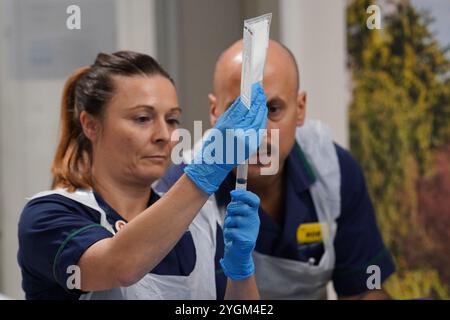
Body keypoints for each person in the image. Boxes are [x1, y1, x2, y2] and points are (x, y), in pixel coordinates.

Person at [17, 51, 267, 300]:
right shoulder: (48, 215)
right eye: (142, 118)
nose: (163, 135)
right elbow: (120, 267)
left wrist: (241, 272)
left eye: (172, 120)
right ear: (90, 125)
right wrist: (208, 169)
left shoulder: (200, 224)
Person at [161, 40, 396, 299]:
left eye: (273, 110)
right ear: (215, 112)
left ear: (300, 108)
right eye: (239, 112)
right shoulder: (179, 191)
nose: (257, 133)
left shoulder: (334, 171)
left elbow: (364, 291)